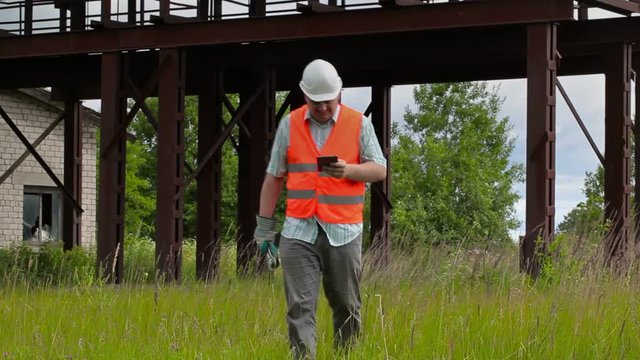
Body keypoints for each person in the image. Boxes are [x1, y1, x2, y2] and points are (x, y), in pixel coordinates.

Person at [253, 59, 387, 359]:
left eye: (329, 101)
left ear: (338, 95)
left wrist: (348, 171)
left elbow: (379, 169)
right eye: (317, 103)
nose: (324, 108)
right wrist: (265, 229)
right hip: (298, 231)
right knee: (299, 308)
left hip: (344, 232)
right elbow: (274, 177)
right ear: (306, 97)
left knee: (346, 307)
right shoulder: (289, 125)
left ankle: (346, 356)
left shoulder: (359, 124)